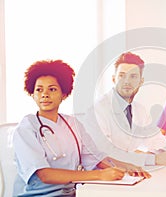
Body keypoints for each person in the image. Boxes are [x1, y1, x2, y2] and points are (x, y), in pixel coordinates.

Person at [13, 60, 150, 197]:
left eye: (52, 89)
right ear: (32, 93)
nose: (45, 94)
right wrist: (99, 175)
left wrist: (127, 167)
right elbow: (44, 174)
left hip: (73, 194)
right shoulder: (27, 128)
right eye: (39, 89)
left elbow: (96, 158)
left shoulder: (72, 124)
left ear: (64, 94)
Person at [83, 52, 166, 166]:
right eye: (122, 75)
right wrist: (152, 159)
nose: (127, 81)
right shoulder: (97, 110)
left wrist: (160, 154)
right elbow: (106, 153)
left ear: (141, 81)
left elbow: (157, 141)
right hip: (103, 176)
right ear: (114, 79)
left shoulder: (140, 110)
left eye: (133, 76)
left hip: (129, 172)